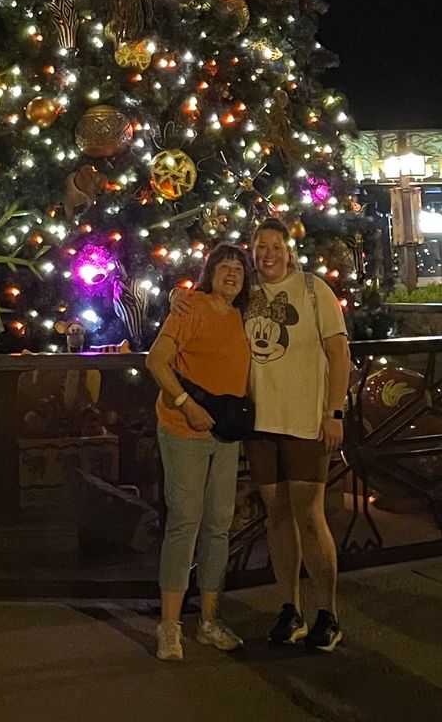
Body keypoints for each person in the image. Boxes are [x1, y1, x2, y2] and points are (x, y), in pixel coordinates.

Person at [172, 216, 351, 654]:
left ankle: (327, 613)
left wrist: (335, 411)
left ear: (288, 250)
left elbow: (339, 352)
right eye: (261, 247)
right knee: (277, 517)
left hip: (305, 421)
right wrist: (178, 294)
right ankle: (290, 609)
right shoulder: (246, 295)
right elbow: (209, 299)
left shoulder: (313, 290)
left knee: (309, 515)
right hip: (260, 424)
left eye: (276, 245)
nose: (268, 254)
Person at [146, 243, 251, 662]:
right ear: (210, 273)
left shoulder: (243, 315)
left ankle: (208, 619)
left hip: (225, 433)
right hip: (184, 430)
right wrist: (186, 404)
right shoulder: (192, 307)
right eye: (224, 266)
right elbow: (157, 360)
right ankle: (170, 625)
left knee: (219, 525)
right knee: (185, 522)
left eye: (239, 268)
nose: (232, 273)